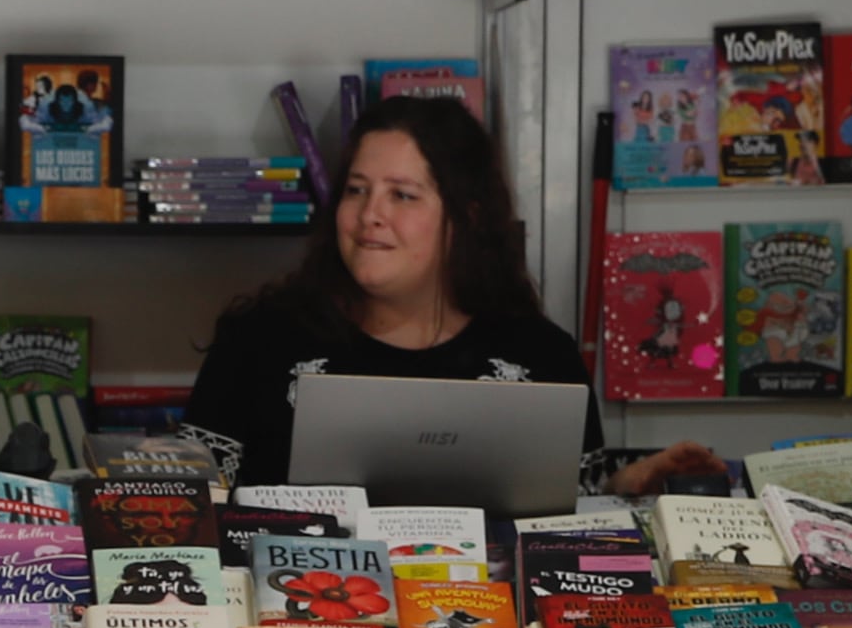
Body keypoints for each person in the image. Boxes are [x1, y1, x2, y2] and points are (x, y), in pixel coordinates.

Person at [181, 94, 716, 498]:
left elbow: (574, 505)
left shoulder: (539, 355)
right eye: (356, 190)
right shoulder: (259, 340)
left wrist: (634, 482)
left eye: (403, 195)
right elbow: (191, 500)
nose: (370, 215)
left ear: (466, 217)